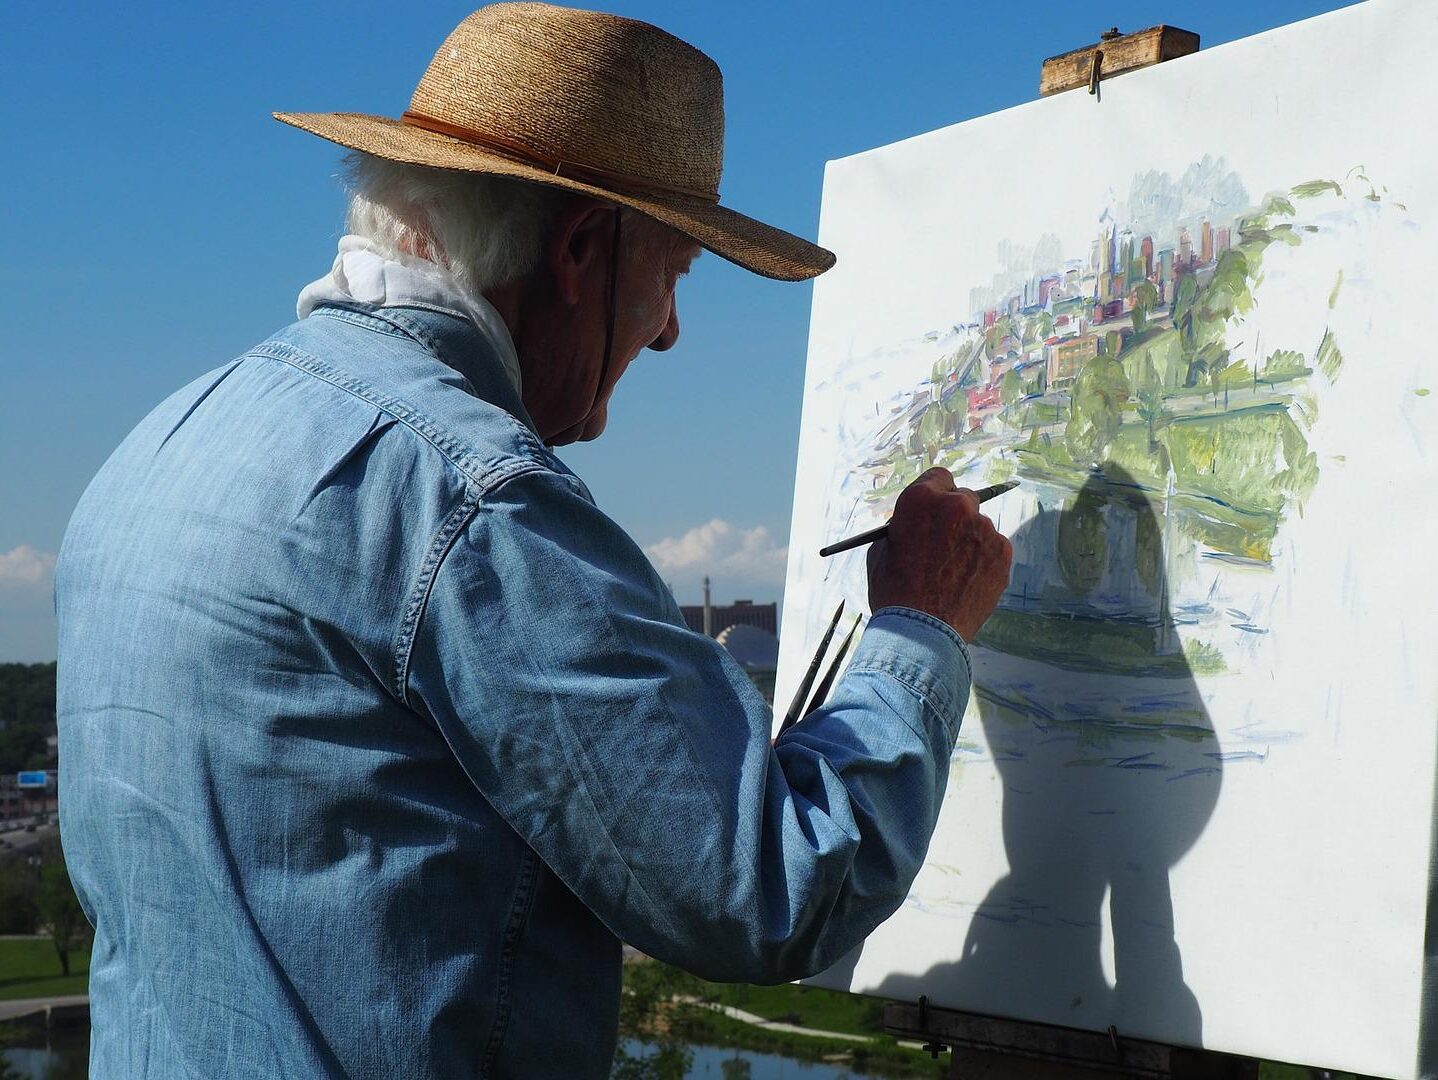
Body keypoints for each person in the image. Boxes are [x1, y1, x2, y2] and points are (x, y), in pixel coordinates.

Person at [54, 4, 1013, 1077]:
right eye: (675, 276)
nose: (667, 330)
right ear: (579, 251)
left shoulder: (166, 440)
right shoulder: (477, 501)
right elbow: (773, 892)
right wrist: (917, 627)